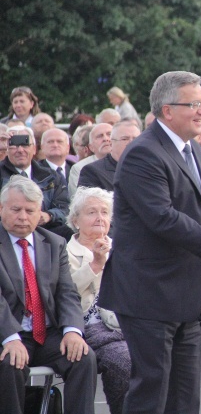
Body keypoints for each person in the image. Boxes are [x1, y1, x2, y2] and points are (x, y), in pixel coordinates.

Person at [97, 71, 201, 414]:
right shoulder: (142, 154)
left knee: (186, 399)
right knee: (152, 394)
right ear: (167, 110)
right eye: (195, 104)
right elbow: (162, 219)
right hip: (148, 295)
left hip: (188, 295)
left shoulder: (197, 154)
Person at [0, 176, 96, 414]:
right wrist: (10, 338)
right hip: (7, 332)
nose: (23, 216)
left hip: (46, 333)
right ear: (1, 209)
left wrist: (72, 331)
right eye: (16, 209)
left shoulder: (54, 243)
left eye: (30, 210)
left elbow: (67, 292)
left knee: (83, 358)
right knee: (10, 364)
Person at [67, 187, 129, 414]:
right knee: (124, 361)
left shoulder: (123, 248)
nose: (100, 217)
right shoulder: (63, 251)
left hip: (123, 323)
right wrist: (95, 264)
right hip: (85, 327)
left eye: (104, 212)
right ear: (75, 220)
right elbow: (65, 292)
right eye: (91, 212)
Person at [0, 126, 72, 239]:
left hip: (46, 230)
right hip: (7, 231)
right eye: (14, 145)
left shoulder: (51, 176)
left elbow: (65, 208)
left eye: (25, 144)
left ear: (34, 149)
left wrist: (49, 216)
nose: (20, 150)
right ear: (6, 149)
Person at [78, 120, 141, 192]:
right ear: (111, 143)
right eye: (125, 139)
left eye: (135, 139)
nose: (131, 143)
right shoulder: (92, 172)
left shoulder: (149, 166)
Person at [69, 122, 113, 199]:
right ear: (91, 147)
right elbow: (78, 201)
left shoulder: (126, 163)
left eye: (109, 134)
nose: (105, 139)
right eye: (99, 136)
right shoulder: (80, 168)